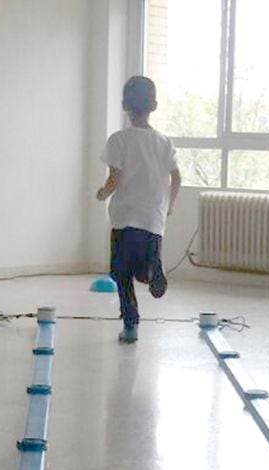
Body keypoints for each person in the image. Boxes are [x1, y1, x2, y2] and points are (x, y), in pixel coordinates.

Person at [96, 76, 181, 343]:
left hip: (124, 218)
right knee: (144, 266)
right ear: (153, 105)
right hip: (153, 218)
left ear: (124, 105)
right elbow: (176, 177)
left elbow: (116, 178)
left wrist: (103, 193)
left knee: (121, 274)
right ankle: (154, 267)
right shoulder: (164, 142)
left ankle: (131, 325)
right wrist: (170, 205)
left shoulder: (119, 140)